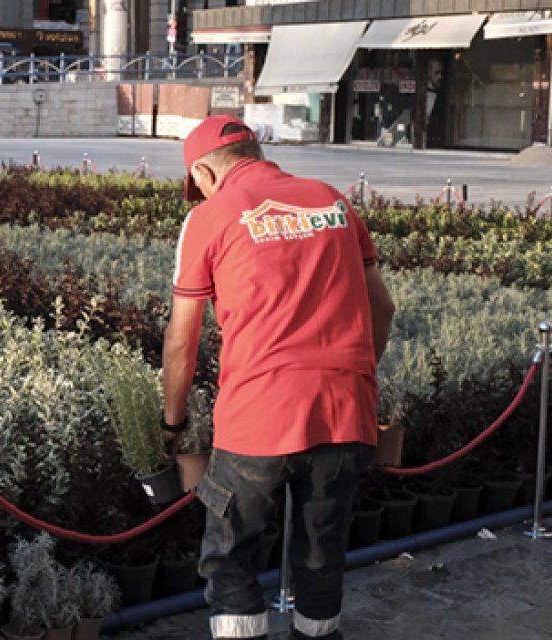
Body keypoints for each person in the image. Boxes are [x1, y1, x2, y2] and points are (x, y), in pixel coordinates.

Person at [162, 116, 395, 640]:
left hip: (257, 417)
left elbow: (181, 340)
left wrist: (171, 423)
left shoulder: (209, 216)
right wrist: (356, 373)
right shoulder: (333, 201)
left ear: (204, 171)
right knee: (320, 554)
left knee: (232, 558)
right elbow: (383, 307)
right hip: (345, 413)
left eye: (195, 182)